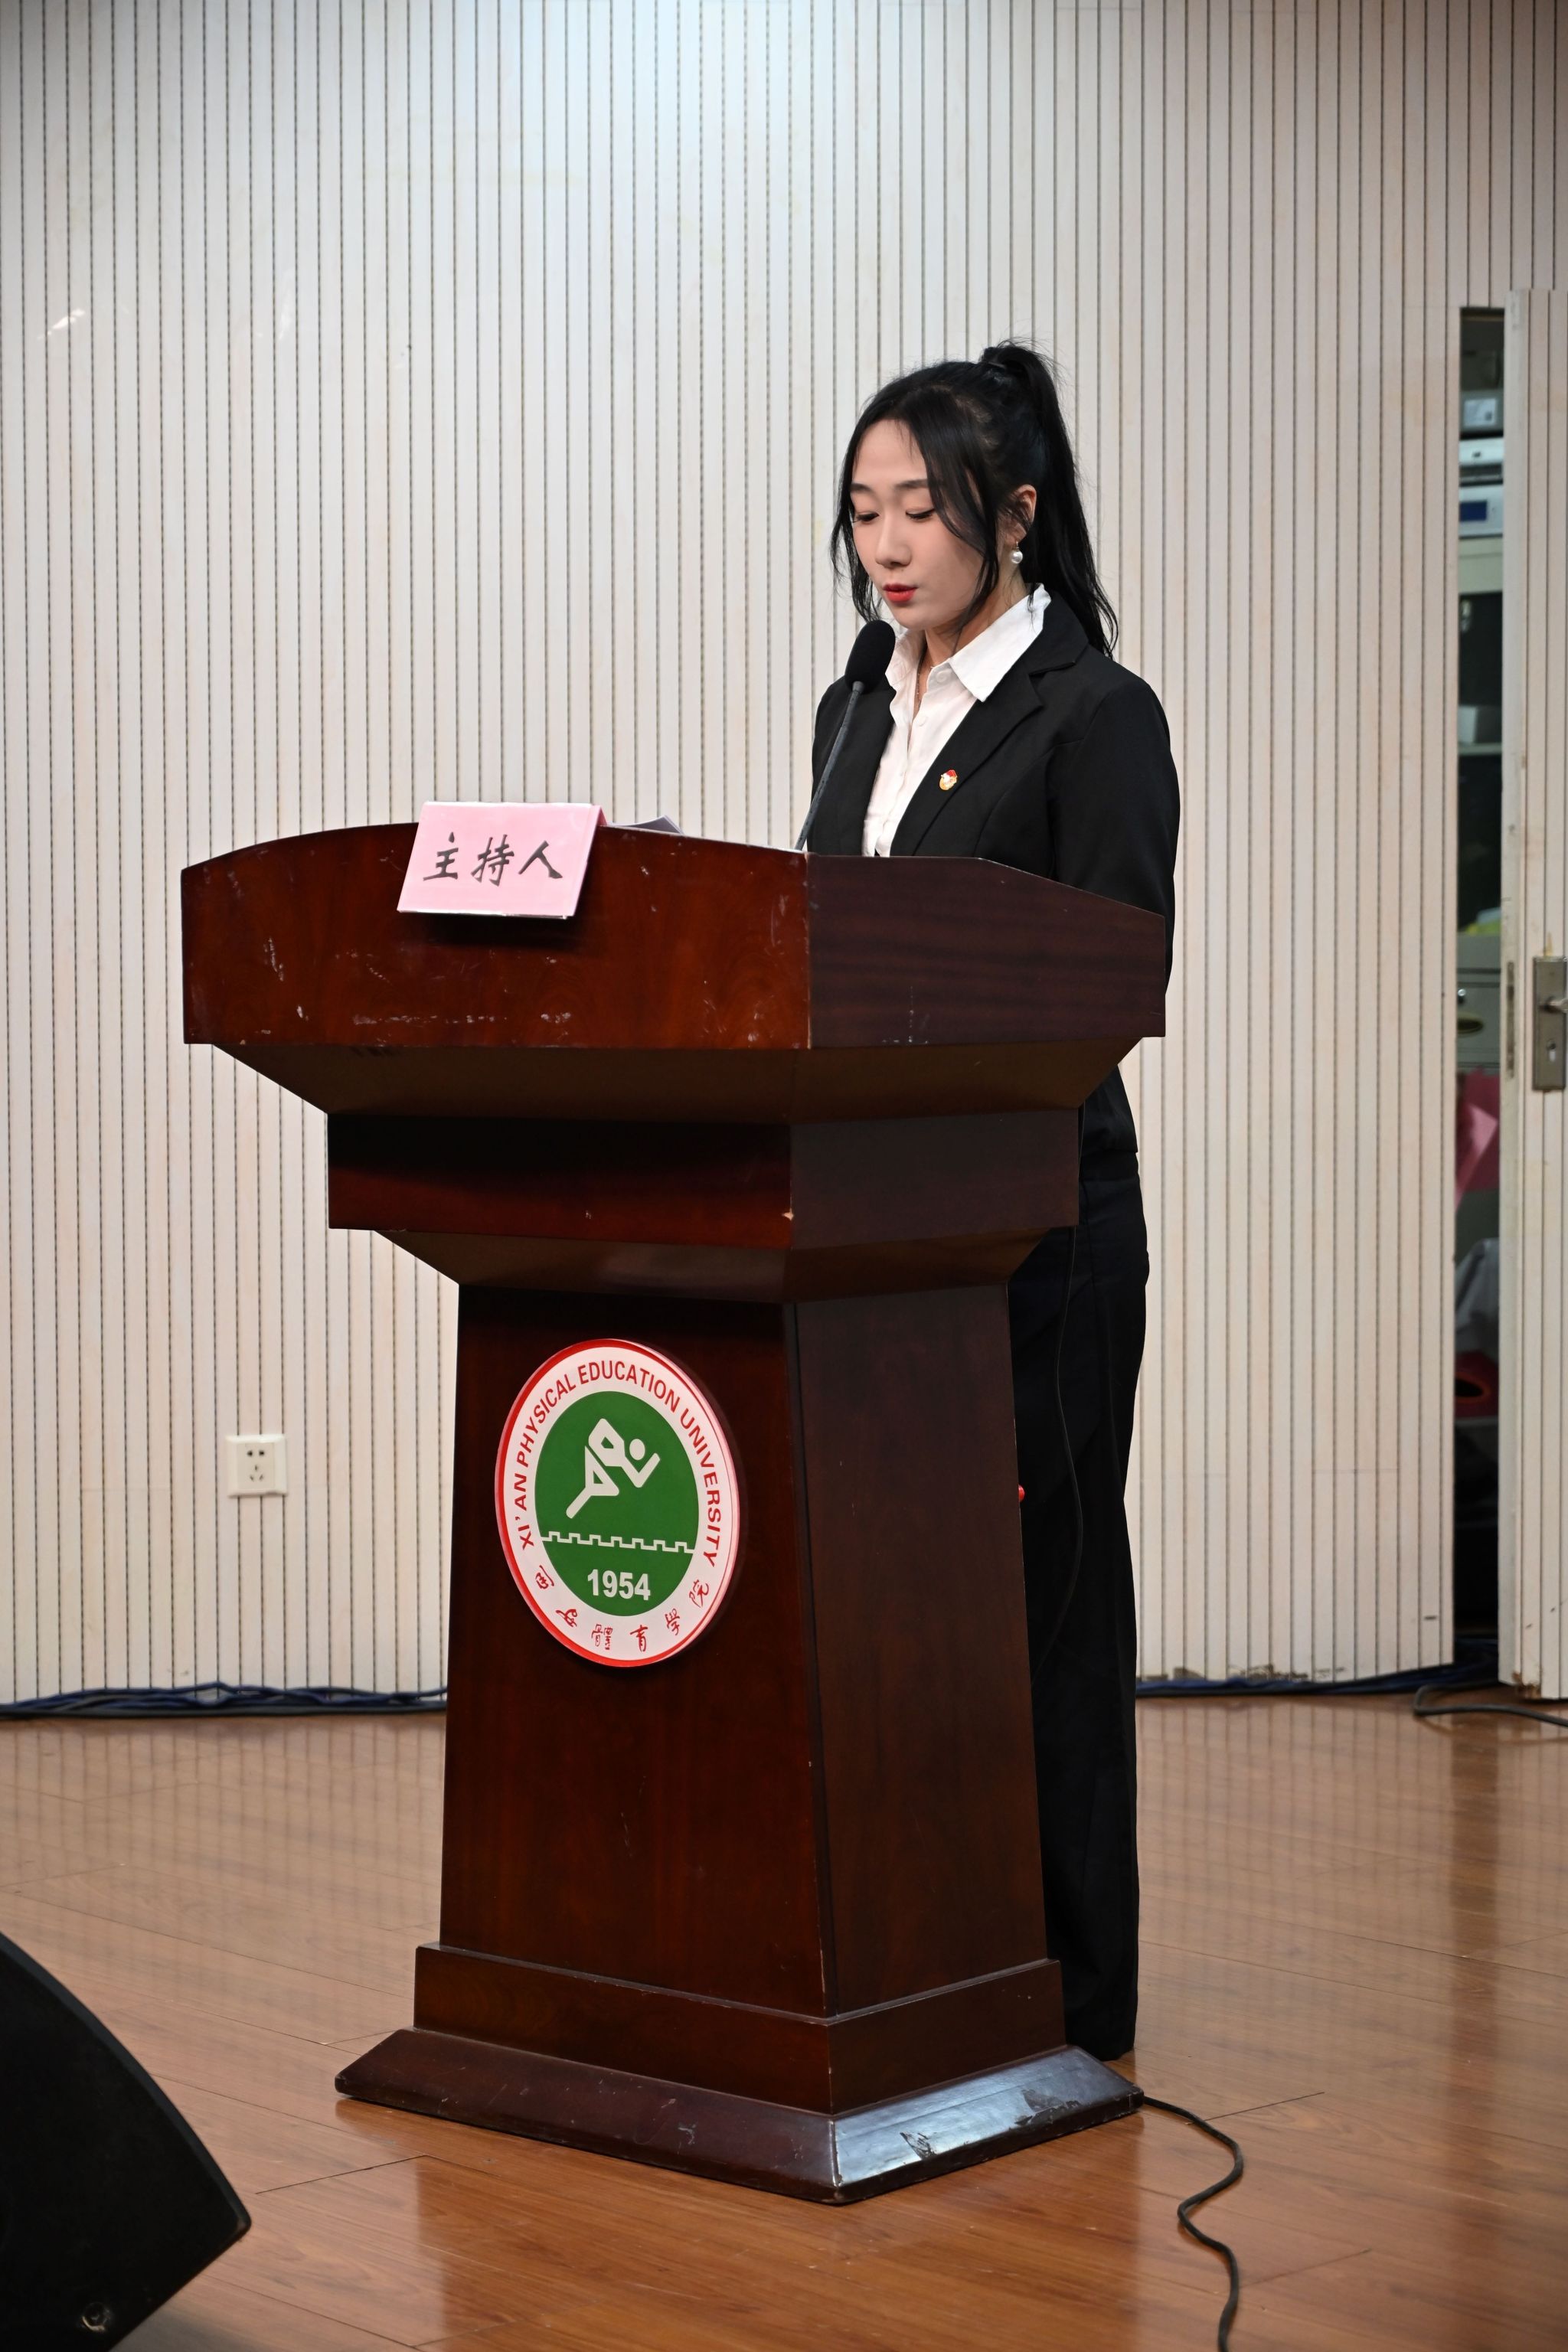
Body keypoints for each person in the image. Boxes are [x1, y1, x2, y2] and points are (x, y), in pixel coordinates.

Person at [802, 341, 1179, 2060]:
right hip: (875, 1232)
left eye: (922, 511)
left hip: (1040, 1230)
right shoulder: (856, 703)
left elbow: (1109, 982)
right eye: (863, 511)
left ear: (1012, 516)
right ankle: (931, 1955)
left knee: (1047, 1604)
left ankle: (1074, 1996)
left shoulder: (1095, 714)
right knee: (902, 1605)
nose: (887, 546)